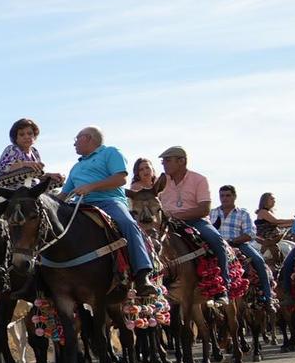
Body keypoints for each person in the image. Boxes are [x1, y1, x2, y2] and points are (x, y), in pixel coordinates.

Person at [53, 126, 154, 294]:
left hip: (109, 202)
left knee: (127, 223)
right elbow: (64, 194)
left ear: (88, 138)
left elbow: (121, 179)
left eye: (77, 139)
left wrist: (90, 187)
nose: (74, 144)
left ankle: (143, 273)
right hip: (79, 206)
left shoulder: (110, 152)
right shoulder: (76, 167)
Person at [153, 147, 233, 292]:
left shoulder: (199, 179)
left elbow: (204, 209)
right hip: (168, 224)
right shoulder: (161, 181)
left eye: (167, 160)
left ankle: (223, 286)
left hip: (195, 221)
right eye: (163, 161)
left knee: (216, 240)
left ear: (181, 161)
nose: (163, 164)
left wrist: (176, 216)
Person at [210, 184, 275, 307]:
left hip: (239, 244)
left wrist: (232, 241)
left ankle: (268, 297)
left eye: (228, 195)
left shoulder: (243, 213)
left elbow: (250, 233)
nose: (224, 198)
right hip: (217, 245)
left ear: (234, 197)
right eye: (222, 196)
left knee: (259, 260)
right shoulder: (213, 212)